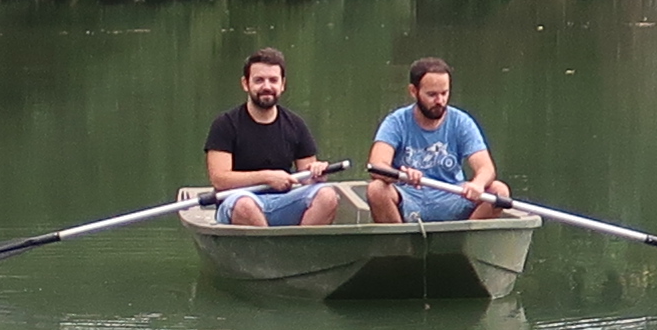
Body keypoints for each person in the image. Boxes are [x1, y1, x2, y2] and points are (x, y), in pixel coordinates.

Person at [200, 47, 359, 225]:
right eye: (259, 80)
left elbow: (306, 176)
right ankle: (270, 251)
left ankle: (298, 250)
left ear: (282, 85)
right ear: (245, 84)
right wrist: (267, 177)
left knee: (327, 195)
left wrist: (316, 173)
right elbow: (220, 179)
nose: (267, 87)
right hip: (238, 200)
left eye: (273, 80)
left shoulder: (296, 124)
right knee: (245, 205)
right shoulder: (225, 124)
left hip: (283, 202)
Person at [366, 55, 504, 224]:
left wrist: (478, 184)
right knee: (376, 190)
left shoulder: (461, 122)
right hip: (410, 198)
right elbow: (376, 166)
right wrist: (401, 176)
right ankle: (401, 246)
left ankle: (461, 240)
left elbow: (486, 168)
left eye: (444, 93)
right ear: (413, 91)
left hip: (453, 196)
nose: (440, 101)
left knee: (499, 191)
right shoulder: (396, 122)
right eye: (432, 95)